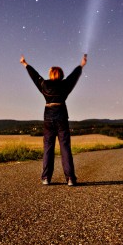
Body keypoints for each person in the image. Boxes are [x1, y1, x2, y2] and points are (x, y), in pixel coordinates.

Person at [20, 53, 87, 186]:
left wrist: (25, 64)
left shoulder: (44, 84)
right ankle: (70, 179)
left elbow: (35, 76)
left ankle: (46, 178)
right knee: (65, 148)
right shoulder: (66, 84)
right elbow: (73, 76)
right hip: (62, 116)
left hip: (48, 117)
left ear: (51, 75)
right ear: (61, 75)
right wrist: (81, 66)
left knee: (48, 148)